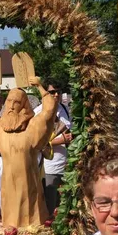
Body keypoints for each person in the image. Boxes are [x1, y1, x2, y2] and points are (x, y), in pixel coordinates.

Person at [0, 75, 59, 228]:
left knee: (32, 222)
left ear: (24, 105)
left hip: (29, 185)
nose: (12, 106)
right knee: (11, 223)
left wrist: (39, 87)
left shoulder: (32, 128)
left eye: (17, 102)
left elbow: (49, 110)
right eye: (9, 101)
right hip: (8, 186)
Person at [34, 81, 72, 216]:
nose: (56, 95)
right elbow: (34, 142)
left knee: (65, 208)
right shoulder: (38, 112)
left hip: (66, 165)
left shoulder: (64, 108)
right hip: (48, 167)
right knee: (50, 207)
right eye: (52, 92)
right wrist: (59, 141)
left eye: (59, 92)